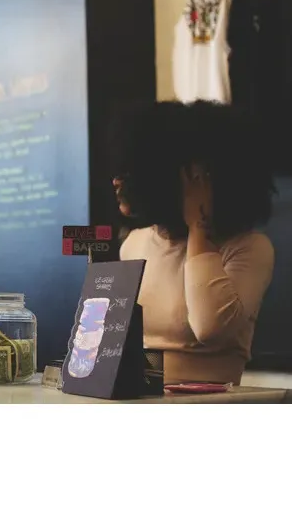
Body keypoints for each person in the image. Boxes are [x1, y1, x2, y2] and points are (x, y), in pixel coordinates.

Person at [110, 100, 276, 385]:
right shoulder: (134, 244)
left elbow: (210, 328)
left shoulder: (248, 248)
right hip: (141, 402)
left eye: (131, 170)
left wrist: (198, 226)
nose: (116, 181)